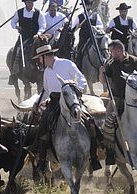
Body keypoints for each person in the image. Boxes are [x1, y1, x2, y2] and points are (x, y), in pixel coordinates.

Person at [31, 44, 102, 174]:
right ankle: (42, 160)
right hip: (54, 103)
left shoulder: (66, 64)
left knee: (90, 122)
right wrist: (37, 102)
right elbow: (46, 91)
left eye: (39, 59)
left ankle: (94, 156)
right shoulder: (46, 71)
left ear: (45, 57)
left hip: (71, 100)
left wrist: (75, 92)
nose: (39, 62)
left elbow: (81, 80)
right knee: (42, 125)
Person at [98, 39, 137, 165]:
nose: (111, 53)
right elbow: (103, 81)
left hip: (134, 98)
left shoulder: (134, 60)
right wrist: (101, 72)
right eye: (111, 51)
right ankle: (110, 152)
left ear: (120, 50)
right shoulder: (110, 63)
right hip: (117, 98)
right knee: (107, 123)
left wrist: (136, 82)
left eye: (113, 51)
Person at [9, 0, 46, 83]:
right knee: (15, 52)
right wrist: (16, 27)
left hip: (35, 38)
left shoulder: (39, 13)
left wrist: (38, 34)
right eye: (28, 2)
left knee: (44, 50)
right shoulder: (19, 12)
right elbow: (13, 22)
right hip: (23, 37)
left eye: (31, 2)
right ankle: (13, 73)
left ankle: (44, 68)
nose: (30, 4)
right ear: (25, 3)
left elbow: (43, 25)